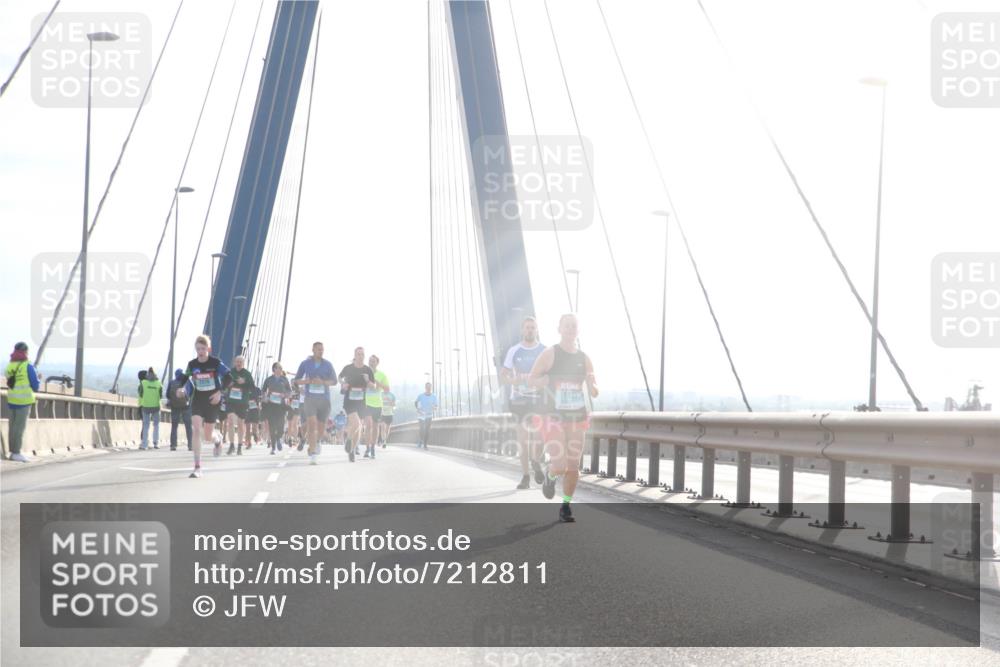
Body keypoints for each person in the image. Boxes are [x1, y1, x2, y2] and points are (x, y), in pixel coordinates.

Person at [529, 314, 598, 523]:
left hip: (577, 417)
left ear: (578, 330)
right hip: (553, 417)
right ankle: (550, 479)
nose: (570, 329)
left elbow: (594, 391)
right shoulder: (550, 354)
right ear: (559, 328)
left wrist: (591, 383)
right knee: (559, 465)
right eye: (566, 326)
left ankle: (565, 506)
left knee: (573, 466)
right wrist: (546, 379)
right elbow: (532, 380)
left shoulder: (584, 358)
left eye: (573, 326)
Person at [175, 335, 231, 478]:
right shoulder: (192, 364)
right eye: (198, 349)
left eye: (203, 349)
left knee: (207, 436)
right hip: (198, 399)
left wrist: (220, 393)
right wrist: (181, 388)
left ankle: (217, 440)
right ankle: (197, 467)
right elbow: (184, 378)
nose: (200, 351)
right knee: (196, 429)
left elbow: (229, 377)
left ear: (208, 349)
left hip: (213, 399)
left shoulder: (216, 363)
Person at [502, 316, 546, 489]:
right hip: (519, 400)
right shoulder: (514, 350)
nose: (530, 330)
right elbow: (503, 375)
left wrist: (542, 380)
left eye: (533, 327)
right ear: (522, 330)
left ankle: (536, 461)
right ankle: (526, 477)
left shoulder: (544, 350)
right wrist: (513, 381)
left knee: (539, 438)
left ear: (537, 330)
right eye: (527, 327)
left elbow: (552, 374)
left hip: (538, 400)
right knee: (523, 439)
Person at [294, 342, 337, 465]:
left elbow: (334, 381)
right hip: (310, 399)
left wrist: (322, 382)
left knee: (321, 428)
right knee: (312, 425)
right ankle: (313, 454)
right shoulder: (305, 364)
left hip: (324, 400)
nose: (321, 351)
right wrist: (307, 381)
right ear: (313, 350)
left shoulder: (328, 364)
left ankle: (317, 442)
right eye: (318, 349)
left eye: (322, 350)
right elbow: (296, 381)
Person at [339, 347, 375, 463]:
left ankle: (352, 450)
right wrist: (343, 383)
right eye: (358, 354)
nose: (360, 356)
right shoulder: (348, 368)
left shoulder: (367, 370)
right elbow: (340, 377)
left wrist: (368, 381)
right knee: (357, 423)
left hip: (361, 401)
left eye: (362, 355)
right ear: (355, 355)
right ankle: (349, 440)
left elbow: (373, 386)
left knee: (359, 427)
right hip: (349, 400)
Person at [5, 342, 39, 462]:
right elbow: (36, 386)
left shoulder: (10, 366)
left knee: (13, 427)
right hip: (24, 401)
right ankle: (16, 452)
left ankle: (12, 452)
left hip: (12, 400)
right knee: (19, 428)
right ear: (25, 352)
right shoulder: (28, 366)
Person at [224, 356, 255, 456]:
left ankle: (239, 446)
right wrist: (229, 384)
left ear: (243, 363)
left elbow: (252, 387)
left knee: (241, 424)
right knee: (230, 421)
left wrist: (244, 382)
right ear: (234, 362)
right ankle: (231, 445)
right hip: (231, 401)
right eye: (237, 361)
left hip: (242, 402)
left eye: (241, 362)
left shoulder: (247, 374)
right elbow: (223, 384)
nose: (239, 363)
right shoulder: (230, 372)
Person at [261, 362, 291, 455]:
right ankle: (273, 447)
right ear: (274, 369)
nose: (280, 369)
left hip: (281, 406)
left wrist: (285, 395)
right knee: (272, 426)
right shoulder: (269, 379)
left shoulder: (284, 379)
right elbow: (263, 390)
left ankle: (278, 438)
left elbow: (289, 392)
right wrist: (265, 397)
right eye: (278, 368)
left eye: (281, 368)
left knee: (281, 426)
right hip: (271, 405)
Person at [363, 354, 389, 459]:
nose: (371, 362)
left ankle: (373, 447)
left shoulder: (382, 375)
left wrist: (377, 383)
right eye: (369, 361)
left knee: (375, 427)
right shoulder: (364, 374)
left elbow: (387, 389)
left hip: (378, 404)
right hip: (366, 403)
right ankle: (367, 448)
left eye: (373, 361)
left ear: (377, 363)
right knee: (368, 426)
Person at [166, 369, 193, 451]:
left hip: (175, 406)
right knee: (188, 426)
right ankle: (190, 445)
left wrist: (173, 400)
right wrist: (187, 399)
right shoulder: (187, 381)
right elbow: (192, 391)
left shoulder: (172, 382)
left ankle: (173, 445)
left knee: (174, 426)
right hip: (186, 406)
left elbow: (167, 395)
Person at [138, 367, 163, 450]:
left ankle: (144, 444)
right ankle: (156, 443)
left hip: (145, 406)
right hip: (156, 406)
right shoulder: (159, 383)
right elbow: (161, 395)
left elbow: (140, 394)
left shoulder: (143, 382)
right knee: (156, 425)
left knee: (146, 425)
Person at [414, 382, 438, 449]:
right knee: (422, 429)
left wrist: (434, 408)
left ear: (431, 388)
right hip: (421, 415)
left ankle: (425, 444)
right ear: (425, 388)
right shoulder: (421, 396)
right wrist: (418, 409)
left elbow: (436, 406)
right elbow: (415, 402)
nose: (428, 388)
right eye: (427, 387)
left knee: (427, 430)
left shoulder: (434, 396)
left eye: (429, 387)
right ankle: (421, 440)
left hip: (429, 415)